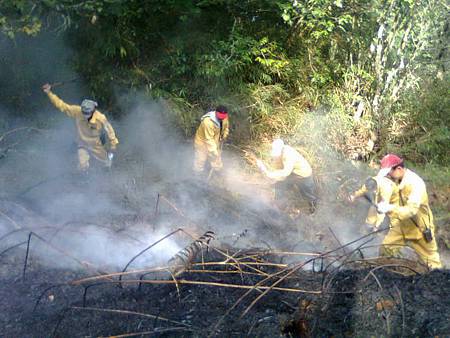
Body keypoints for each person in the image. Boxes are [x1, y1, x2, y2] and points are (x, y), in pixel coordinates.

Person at [376, 154, 442, 269]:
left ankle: (441, 282)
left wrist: (390, 208)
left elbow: (411, 210)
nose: (388, 175)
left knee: (432, 262)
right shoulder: (397, 180)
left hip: (420, 228)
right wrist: (385, 207)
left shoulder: (415, 184)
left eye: (389, 173)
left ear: (399, 169)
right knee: (386, 249)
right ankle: (387, 273)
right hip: (401, 225)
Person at [42, 83, 119, 171]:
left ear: (93, 110)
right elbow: (62, 106)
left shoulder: (100, 118)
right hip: (82, 143)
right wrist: (49, 93)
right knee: (82, 166)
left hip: (95, 144)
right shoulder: (77, 111)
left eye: (88, 113)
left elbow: (110, 131)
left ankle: (108, 172)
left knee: (106, 162)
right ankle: (84, 178)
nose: (85, 115)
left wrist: (113, 145)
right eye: (84, 112)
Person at [257, 139, 318, 213]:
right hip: (292, 173)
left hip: (303, 174)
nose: (276, 156)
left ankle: (313, 208)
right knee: (279, 186)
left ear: (282, 149)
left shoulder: (289, 154)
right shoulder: (278, 154)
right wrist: (271, 176)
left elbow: (285, 173)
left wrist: (270, 174)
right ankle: (280, 206)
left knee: (307, 194)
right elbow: (278, 169)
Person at [193, 106, 229, 178]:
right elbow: (209, 139)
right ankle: (197, 175)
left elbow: (225, 127)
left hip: (214, 141)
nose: (221, 118)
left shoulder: (224, 117)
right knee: (200, 159)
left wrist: (225, 134)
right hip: (202, 142)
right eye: (220, 117)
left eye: (223, 117)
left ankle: (218, 173)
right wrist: (214, 152)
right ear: (215, 112)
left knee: (217, 160)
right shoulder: (207, 122)